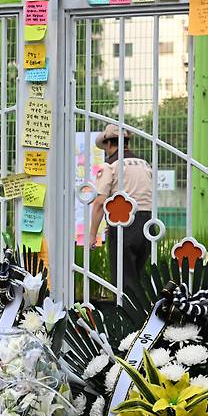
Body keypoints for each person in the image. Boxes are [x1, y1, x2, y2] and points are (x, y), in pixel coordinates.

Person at [89, 124, 153, 294]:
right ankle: (141, 317)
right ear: (127, 143)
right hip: (148, 225)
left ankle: (127, 318)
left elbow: (100, 202)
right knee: (138, 278)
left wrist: (92, 234)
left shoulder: (111, 166)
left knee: (123, 282)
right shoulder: (144, 164)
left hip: (124, 225)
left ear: (109, 144)